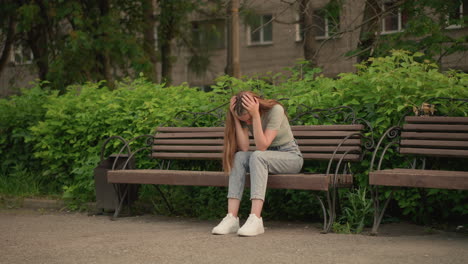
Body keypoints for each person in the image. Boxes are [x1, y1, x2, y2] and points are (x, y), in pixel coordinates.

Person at [212, 91, 304, 236]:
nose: (247, 123)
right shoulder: (245, 116)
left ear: (256, 105)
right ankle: (232, 218)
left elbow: (262, 146)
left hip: (290, 157)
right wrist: (236, 118)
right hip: (265, 157)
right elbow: (244, 147)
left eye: (248, 119)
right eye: (245, 121)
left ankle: (255, 219)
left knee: (258, 155)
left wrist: (255, 116)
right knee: (240, 157)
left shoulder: (275, 110)